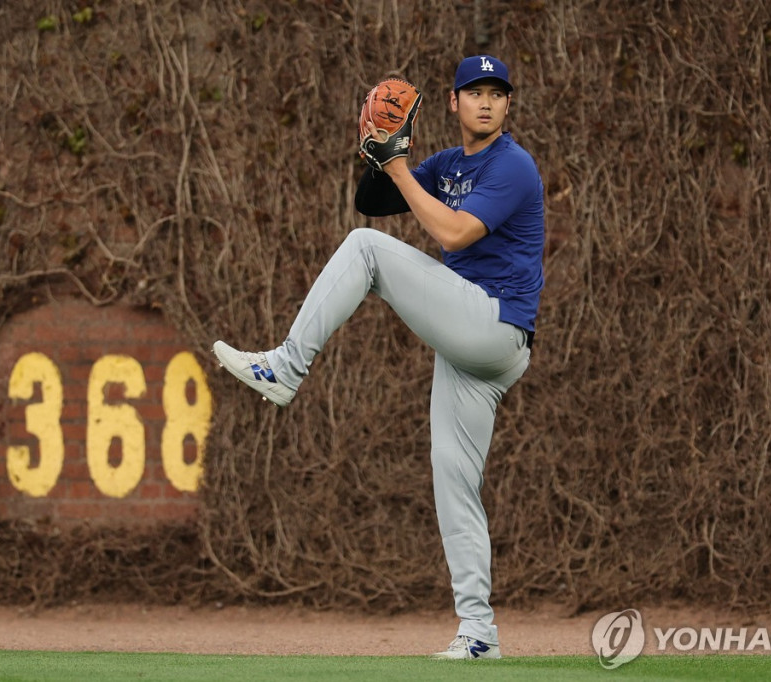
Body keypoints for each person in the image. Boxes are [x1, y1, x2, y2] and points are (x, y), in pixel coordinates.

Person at [213, 55, 545, 660]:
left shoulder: (513, 165)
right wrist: (378, 152)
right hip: (474, 345)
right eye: (475, 92)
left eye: (497, 93)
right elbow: (372, 201)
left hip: (493, 323)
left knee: (366, 251)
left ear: (508, 105)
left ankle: (285, 367)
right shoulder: (446, 165)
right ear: (453, 103)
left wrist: (399, 167)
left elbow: (453, 234)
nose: (487, 101)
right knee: (455, 484)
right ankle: (479, 634)